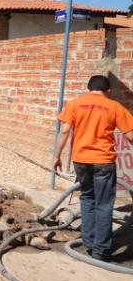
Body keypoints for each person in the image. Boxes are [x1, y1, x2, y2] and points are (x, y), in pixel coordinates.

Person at [53, 75, 133, 261]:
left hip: (80, 160)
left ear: (88, 88)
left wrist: (56, 156)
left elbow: (64, 131)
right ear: (109, 91)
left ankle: (88, 242)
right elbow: (130, 136)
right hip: (103, 161)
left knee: (87, 198)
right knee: (104, 205)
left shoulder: (74, 104)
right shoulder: (114, 106)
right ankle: (100, 251)